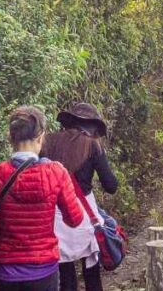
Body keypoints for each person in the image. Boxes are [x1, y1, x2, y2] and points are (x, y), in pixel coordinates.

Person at [0, 106, 85, 291]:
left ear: (11, 138)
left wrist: (0, 222)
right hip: (43, 272)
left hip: (4, 273)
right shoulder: (56, 173)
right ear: (41, 137)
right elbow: (75, 219)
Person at [41, 103, 119, 291]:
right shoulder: (92, 145)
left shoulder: (48, 142)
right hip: (83, 215)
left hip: (55, 215)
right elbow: (111, 186)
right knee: (91, 272)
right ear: (93, 127)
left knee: (65, 273)